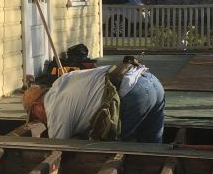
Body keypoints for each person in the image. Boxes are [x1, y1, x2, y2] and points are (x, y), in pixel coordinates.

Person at [22, 61, 166, 143]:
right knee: (152, 149)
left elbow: (59, 148)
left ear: (37, 106)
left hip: (134, 93)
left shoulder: (53, 109)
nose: (40, 121)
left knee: (108, 148)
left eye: (35, 116)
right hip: (150, 80)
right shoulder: (62, 81)